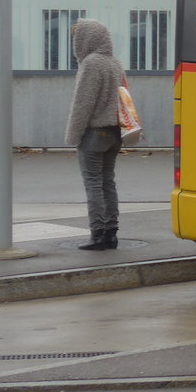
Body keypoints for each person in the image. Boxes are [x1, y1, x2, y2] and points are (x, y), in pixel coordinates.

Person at [64, 19, 125, 251]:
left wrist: (73, 135)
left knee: (93, 184)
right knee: (108, 182)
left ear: (86, 39)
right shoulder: (115, 63)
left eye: (77, 37)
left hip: (94, 133)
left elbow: (83, 104)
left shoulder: (91, 64)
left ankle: (97, 233)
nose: (75, 42)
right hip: (115, 132)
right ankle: (111, 233)